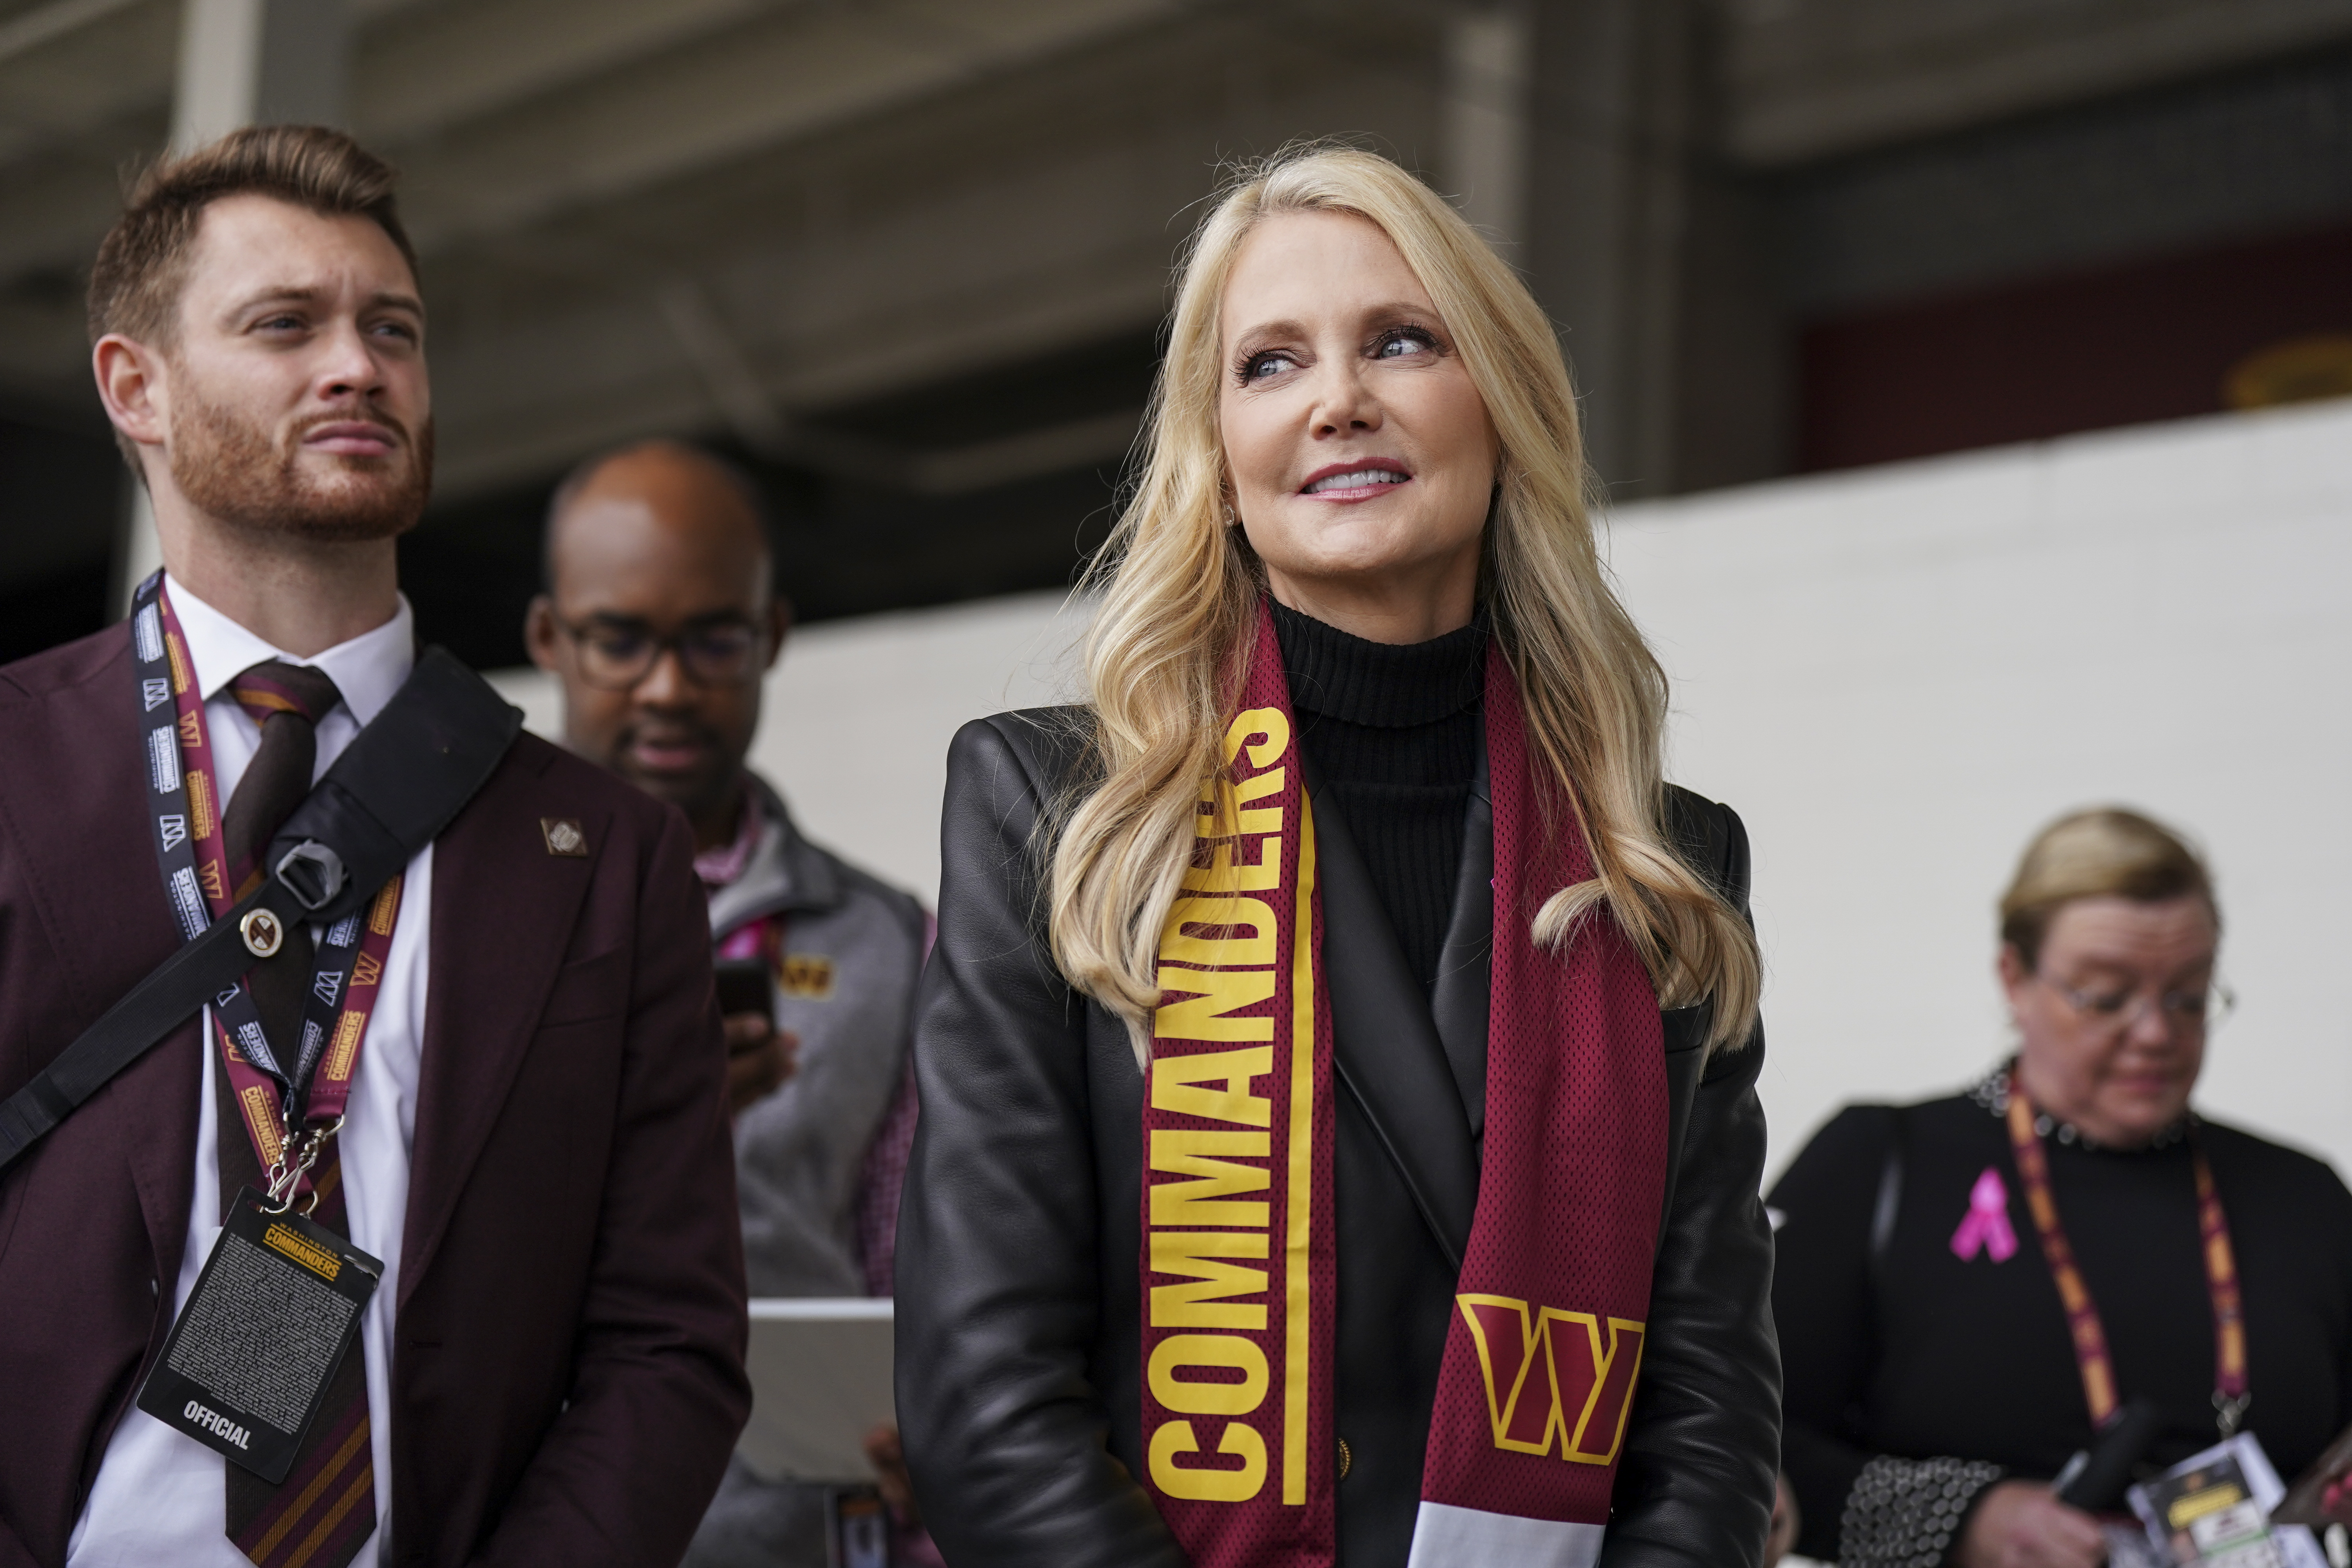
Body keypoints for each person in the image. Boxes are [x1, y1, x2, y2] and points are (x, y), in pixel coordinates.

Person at [896, 145, 1781, 1568]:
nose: (1338, 400)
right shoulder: (1054, 808)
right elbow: (985, 1400)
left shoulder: (1663, 865)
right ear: (1220, 457)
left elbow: (1712, 1419)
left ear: (1500, 404)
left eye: (1401, 341)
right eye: (1271, 365)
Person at [0, 127, 749, 1566]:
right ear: (132, 387)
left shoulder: (603, 849)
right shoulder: (13, 767)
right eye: (286, 325)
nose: (358, 365)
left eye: (391, 329)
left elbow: (670, 1342)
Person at [526, 439, 931, 1567]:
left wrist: (942, 1423)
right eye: (621, 640)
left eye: (714, 640)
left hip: (793, 1526)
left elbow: (909, 1256)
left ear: (774, 640)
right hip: (520, 1518)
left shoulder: (889, 939)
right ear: (550, 639)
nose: (668, 687)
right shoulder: (449, 911)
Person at [1771, 808, 2352, 1568]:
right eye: (2107, 996)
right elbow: (1734, 1442)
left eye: (2187, 996)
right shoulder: (1884, 1160)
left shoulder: (2300, 1193)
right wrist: (1963, 1519)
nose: (2154, 1032)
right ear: (2014, 976)